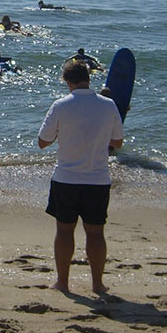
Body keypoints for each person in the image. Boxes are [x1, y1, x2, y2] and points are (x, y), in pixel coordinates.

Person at [38, 60, 124, 295]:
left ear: (67, 82)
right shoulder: (108, 105)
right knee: (96, 233)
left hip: (66, 178)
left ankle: (63, 283)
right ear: (88, 78)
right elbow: (117, 142)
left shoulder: (61, 105)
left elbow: (43, 142)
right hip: (97, 179)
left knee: (64, 231)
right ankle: (97, 284)